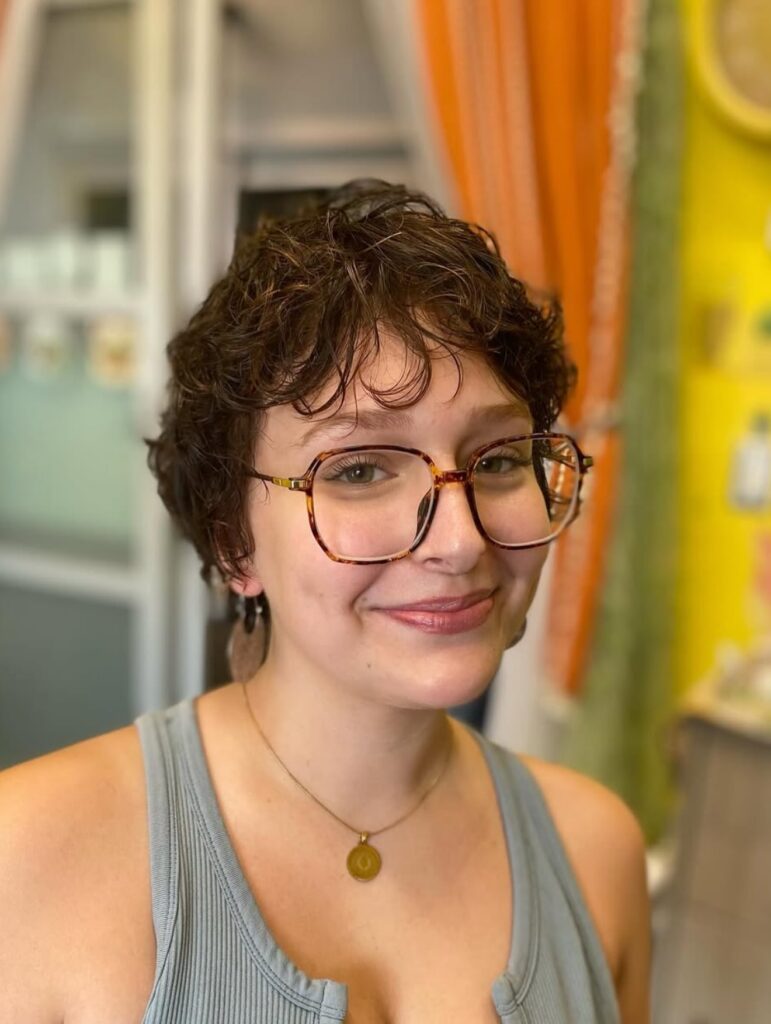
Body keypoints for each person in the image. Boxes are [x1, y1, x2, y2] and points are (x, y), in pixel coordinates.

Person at [0, 181, 651, 1023]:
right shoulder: (33, 859)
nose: (459, 541)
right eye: (357, 470)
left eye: (496, 460)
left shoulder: (595, 853)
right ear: (234, 540)